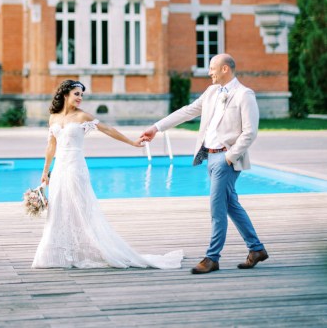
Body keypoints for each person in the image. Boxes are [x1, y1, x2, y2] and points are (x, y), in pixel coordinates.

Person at [32, 79, 184, 269]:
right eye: (76, 94)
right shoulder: (53, 118)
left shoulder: (83, 117)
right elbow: (51, 146)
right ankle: (59, 254)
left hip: (76, 167)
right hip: (59, 169)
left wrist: (132, 143)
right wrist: (45, 171)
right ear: (65, 95)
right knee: (59, 209)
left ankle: (88, 250)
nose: (80, 98)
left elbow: (108, 130)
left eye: (81, 95)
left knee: (81, 209)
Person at [141, 53, 268, 274]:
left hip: (226, 158)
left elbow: (250, 132)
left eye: (212, 68)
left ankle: (212, 258)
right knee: (230, 205)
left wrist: (229, 157)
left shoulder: (244, 95)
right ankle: (256, 249)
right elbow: (187, 111)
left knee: (216, 209)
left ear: (225, 69)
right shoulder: (211, 92)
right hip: (209, 155)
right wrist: (156, 127)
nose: (209, 72)